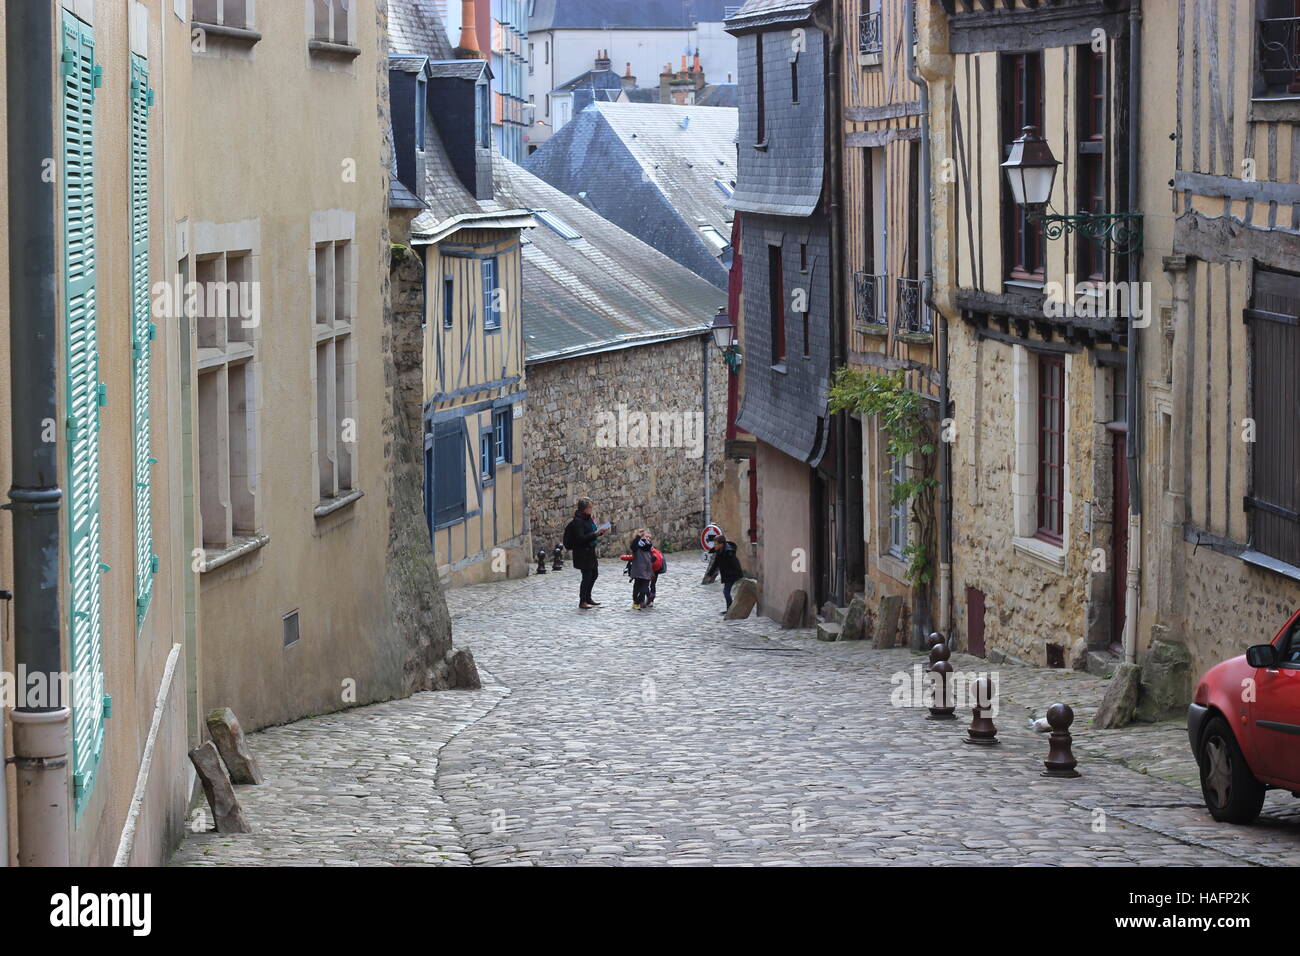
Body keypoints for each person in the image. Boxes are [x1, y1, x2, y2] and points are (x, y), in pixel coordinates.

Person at [563, 497, 608, 610]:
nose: (591, 509)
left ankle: (588, 597)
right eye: (590, 507)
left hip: (590, 551)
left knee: (594, 574)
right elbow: (580, 538)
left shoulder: (588, 519)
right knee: (587, 576)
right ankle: (582, 601)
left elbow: (591, 532)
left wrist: (599, 532)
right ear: (584, 509)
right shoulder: (578, 521)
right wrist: (596, 534)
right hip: (582, 553)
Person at [709, 532, 744, 613]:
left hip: (732, 575)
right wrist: (710, 573)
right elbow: (716, 563)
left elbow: (735, 565)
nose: (715, 545)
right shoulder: (719, 552)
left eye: (716, 544)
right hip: (727, 575)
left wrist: (737, 575)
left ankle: (730, 610)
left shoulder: (729, 553)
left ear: (721, 544)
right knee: (726, 592)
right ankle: (730, 609)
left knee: (726, 592)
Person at [624, 529, 656, 609]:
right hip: (638, 569)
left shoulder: (648, 545)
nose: (646, 538)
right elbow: (633, 546)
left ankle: (638, 602)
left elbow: (651, 555)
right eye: (645, 536)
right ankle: (636, 601)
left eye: (648, 537)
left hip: (647, 569)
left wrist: (654, 558)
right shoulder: (636, 545)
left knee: (644, 588)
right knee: (637, 587)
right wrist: (638, 536)